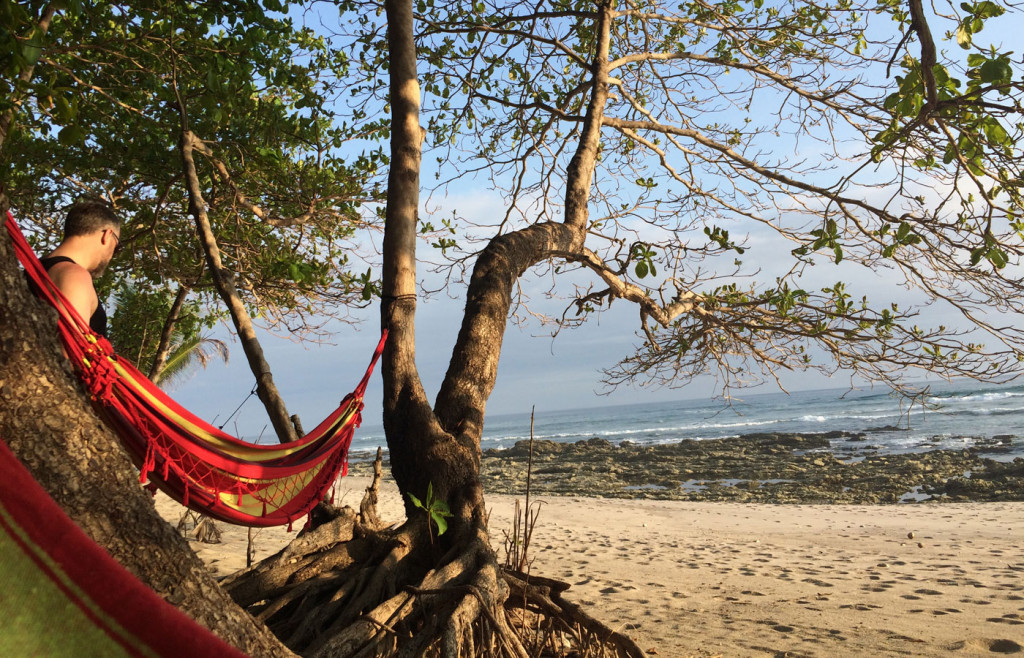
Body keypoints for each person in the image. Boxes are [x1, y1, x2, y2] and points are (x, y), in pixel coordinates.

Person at [40, 202, 122, 337]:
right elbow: (69, 352)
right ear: (107, 235)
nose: (112, 255)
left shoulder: (34, 269)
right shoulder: (74, 276)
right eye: (117, 247)